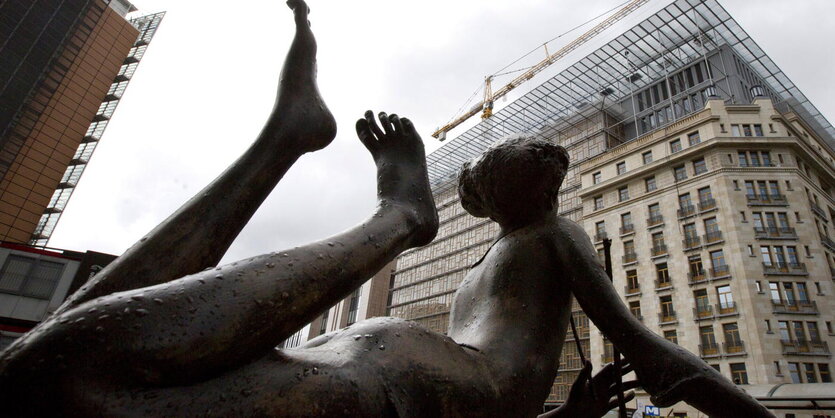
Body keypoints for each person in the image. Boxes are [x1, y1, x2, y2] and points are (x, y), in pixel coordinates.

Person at [0, 1, 772, 417]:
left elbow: (646, 350)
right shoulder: (520, 249)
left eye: (546, 158)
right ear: (491, 194)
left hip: (397, 382)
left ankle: (382, 208)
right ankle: (379, 205)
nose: (544, 157)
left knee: (54, 370)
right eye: (517, 157)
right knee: (46, 368)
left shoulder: (547, 237)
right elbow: (628, 362)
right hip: (397, 384)